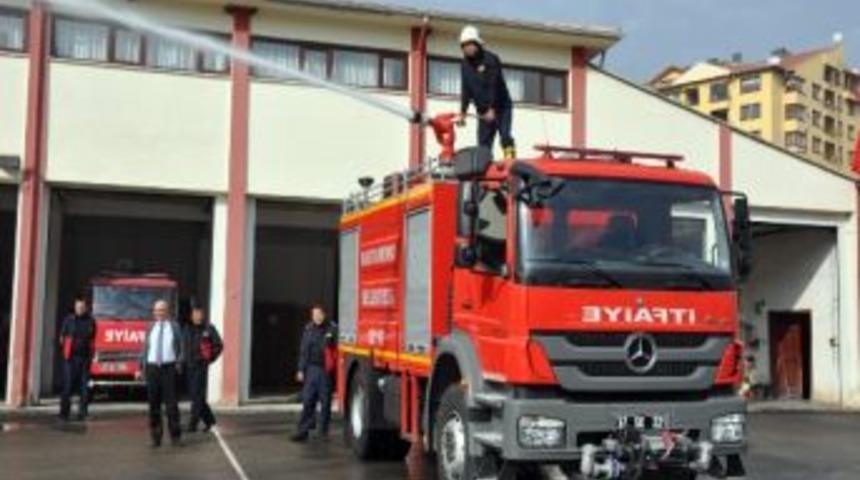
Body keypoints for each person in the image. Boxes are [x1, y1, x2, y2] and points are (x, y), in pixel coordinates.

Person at [457, 24, 516, 159]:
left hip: (501, 107)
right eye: (464, 45)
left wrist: (492, 109)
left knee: (505, 137)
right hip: (483, 112)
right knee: (483, 146)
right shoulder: (464, 65)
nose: (467, 48)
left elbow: (494, 85)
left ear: (477, 44)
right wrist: (463, 112)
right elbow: (465, 89)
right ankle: (486, 175)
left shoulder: (491, 59)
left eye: (470, 44)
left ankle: (511, 163)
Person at [136, 299, 184, 447]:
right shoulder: (150, 327)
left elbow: (181, 347)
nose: (159, 313)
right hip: (152, 369)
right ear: (154, 312)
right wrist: (139, 367)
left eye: (162, 310)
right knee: (153, 404)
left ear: (167, 311)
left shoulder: (174, 326)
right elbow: (145, 348)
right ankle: (156, 437)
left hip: (169, 368)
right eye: (157, 310)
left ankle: (175, 436)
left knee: (171, 405)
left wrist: (179, 363)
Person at [291, 304, 337, 442]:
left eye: (319, 314)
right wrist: (300, 369)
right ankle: (302, 431)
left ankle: (323, 432)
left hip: (325, 371)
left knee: (325, 402)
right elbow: (304, 351)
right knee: (308, 400)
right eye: (314, 314)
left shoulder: (332, 329)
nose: (316, 317)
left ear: (324, 315)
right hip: (311, 370)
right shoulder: (309, 329)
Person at [183, 305, 222, 433]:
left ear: (203, 315)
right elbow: (182, 345)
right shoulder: (187, 329)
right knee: (196, 395)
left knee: (196, 395)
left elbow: (219, 345)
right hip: (189, 366)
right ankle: (210, 420)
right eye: (195, 313)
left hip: (200, 366)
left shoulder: (209, 329)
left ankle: (193, 423)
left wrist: (209, 359)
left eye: (200, 313)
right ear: (192, 315)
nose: (198, 316)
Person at [58, 297, 96, 422]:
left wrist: (92, 356)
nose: (80, 309)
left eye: (82, 307)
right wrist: (65, 352)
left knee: (84, 387)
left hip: (84, 359)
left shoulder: (91, 321)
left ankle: (83, 413)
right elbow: (62, 337)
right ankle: (64, 414)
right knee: (67, 386)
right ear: (75, 307)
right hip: (70, 359)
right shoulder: (69, 320)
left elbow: (93, 339)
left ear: (86, 307)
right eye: (78, 307)